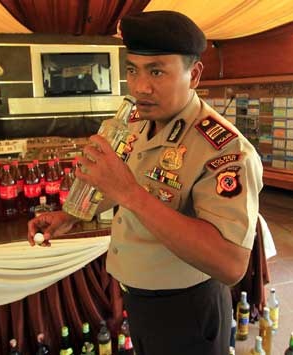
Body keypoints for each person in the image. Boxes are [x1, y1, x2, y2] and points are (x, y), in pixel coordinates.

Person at [28, 10, 263, 355]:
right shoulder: (137, 122)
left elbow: (230, 264)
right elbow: (119, 184)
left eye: (156, 71)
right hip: (138, 300)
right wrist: (71, 216)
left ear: (194, 74)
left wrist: (130, 193)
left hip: (187, 310)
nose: (140, 87)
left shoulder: (225, 149)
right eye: (132, 70)